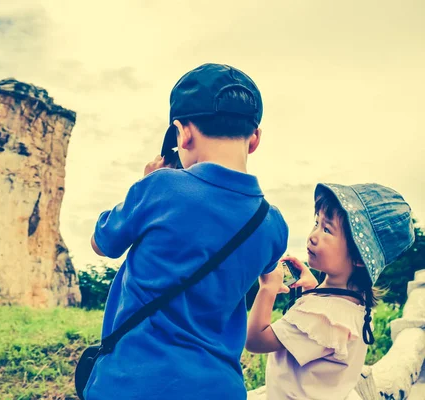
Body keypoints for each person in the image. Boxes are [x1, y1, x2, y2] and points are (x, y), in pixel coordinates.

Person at [84, 63, 289, 399]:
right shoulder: (273, 224)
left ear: (182, 134)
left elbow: (101, 243)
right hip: (219, 388)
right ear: (254, 139)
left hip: (130, 384)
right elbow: (267, 272)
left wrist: (145, 181)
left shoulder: (159, 187)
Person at [246, 183, 415, 399]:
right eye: (316, 223)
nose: (313, 236)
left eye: (327, 229)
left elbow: (256, 341)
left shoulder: (323, 316)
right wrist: (311, 288)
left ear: (358, 258)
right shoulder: (354, 304)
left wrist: (267, 289)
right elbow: (327, 330)